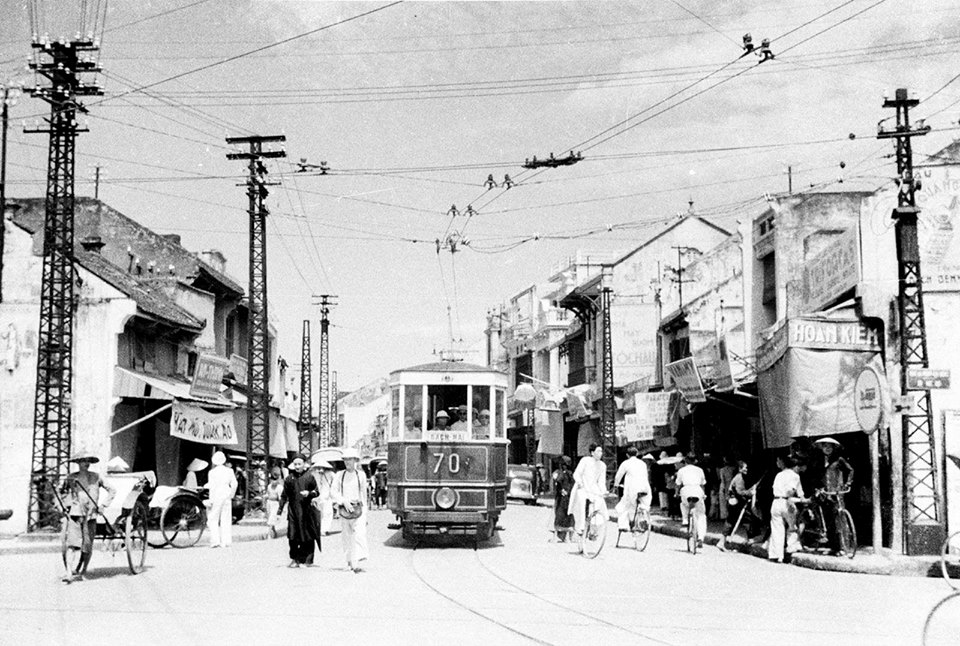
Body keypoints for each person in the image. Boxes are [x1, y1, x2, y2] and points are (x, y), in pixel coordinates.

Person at [60, 452, 116, 583]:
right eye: (83, 461)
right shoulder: (71, 478)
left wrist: (103, 505)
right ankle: (68, 573)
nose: (86, 463)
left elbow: (112, 490)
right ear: (78, 463)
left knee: (87, 545)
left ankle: (83, 570)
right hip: (75, 514)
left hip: (90, 515)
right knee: (72, 545)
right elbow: (61, 492)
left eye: (88, 461)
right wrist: (64, 505)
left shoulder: (96, 477)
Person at [812, 437, 855, 556]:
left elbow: (850, 470)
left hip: (837, 493)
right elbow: (817, 476)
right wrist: (818, 488)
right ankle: (833, 547)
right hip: (825, 494)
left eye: (829, 447)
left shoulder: (839, 460)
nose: (827, 449)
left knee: (840, 521)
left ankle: (844, 547)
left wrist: (847, 483)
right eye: (825, 446)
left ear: (833, 448)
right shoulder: (819, 460)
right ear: (822, 448)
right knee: (829, 521)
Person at [278, 454, 322, 567]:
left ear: (304, 464)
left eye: (299, 464)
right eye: (295, 464)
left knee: (307, 536)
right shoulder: (289, 479)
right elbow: (284, 496)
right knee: (292, 536)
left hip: (306, 512)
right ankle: (294, 558)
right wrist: (279, 511)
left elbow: (317, 492)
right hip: (293, 511)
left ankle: (307, 560)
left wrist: (309, 494)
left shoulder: (309, 477)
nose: (297, 466)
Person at [332, 448, 369, 572]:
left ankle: (357, 563)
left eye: (350, 459)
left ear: (355, 460)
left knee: (359, 535)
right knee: (346, 536)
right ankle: (348, 562)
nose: (348, 462)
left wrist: (366, 512)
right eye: (345, 459)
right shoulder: (339, 475)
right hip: (344, 509)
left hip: (358, 508)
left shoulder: (361, 475)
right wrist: (343, 501)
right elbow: (333, 491)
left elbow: (363, 494)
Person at [768, 454, 805, 563]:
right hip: (787, 502)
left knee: (776, 529)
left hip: (775, 502)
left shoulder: (778, 475)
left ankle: (776, 555)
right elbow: (791, 490)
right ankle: (790, 549)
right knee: (792, 527)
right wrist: (791, 499)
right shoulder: (794, 476)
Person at [568, 444, 608, 536]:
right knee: (581, 503)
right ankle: (580, 527)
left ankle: (594, 529)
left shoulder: (602, 465)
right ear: (592, 452)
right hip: (582, 487)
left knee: (599, 503)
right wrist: (579, 482)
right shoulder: (585, 460)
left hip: (593, 488)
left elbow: (601, 481)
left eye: (601, 451)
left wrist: (603, 491)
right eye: (598, 451)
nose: (600, 453)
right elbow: (577, 474)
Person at [719, 460, 757, 551]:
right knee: (746, 519)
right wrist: (750, 492)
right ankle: (750, 539)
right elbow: (740, 492)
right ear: (740, 469)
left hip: (735, 502)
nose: (746, 469)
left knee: (732, 521)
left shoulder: (739, 477)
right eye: (745, 467)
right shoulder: (739, 478)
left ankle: (722, 541)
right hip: (736, 503)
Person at [613, 446, 652, 532]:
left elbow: (618, 476)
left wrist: (616, 485)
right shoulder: (643, 464)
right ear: (637, 454)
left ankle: (623, 525)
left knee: (624, 505)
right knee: (644, 503)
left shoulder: (625, 463)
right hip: (645, 488)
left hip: (633, 488)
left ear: (627, 455)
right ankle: (643, 518)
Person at [675, 453, 707, 548]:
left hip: (686, 490)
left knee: (683, 504)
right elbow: (702, 484)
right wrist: (703, 494)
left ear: (686, 460)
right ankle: (701, 537)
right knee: (701, 515)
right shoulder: (700, 470)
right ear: (695, 461)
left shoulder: (681, 470)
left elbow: (678, 484)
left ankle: (685, 519)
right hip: (698, 490)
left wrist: (676, 493)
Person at [207, 451, 238, 548]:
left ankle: (215, 541)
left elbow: (212, 486)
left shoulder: (212, 472)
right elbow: (234, 484)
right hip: (226, 494)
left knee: (213, 518)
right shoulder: (230, 471)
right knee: (226, 518)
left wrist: (211, 499)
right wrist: (231, 495)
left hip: (216, 495)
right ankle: (226, 541)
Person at [551, 456, 575, 541]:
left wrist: (561, 490)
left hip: (562, 498)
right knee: (568, 515)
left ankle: (559, 535)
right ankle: (568, 537)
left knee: (559, 515)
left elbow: (558, 481)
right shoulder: (571, 474)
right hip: (568, 497)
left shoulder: (561, 473)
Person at [263, 466, 284, 538]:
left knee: (271, 518)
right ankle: (274, 531)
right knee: (270, 517)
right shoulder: (269, 486)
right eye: (272, 480)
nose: (273, 482)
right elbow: (267, 494)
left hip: (275, 504)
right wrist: (265, 498)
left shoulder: (280, 488)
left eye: (275, 480)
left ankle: (269, 534)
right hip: (269, 503)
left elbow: (281, 498)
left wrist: (281, 508)